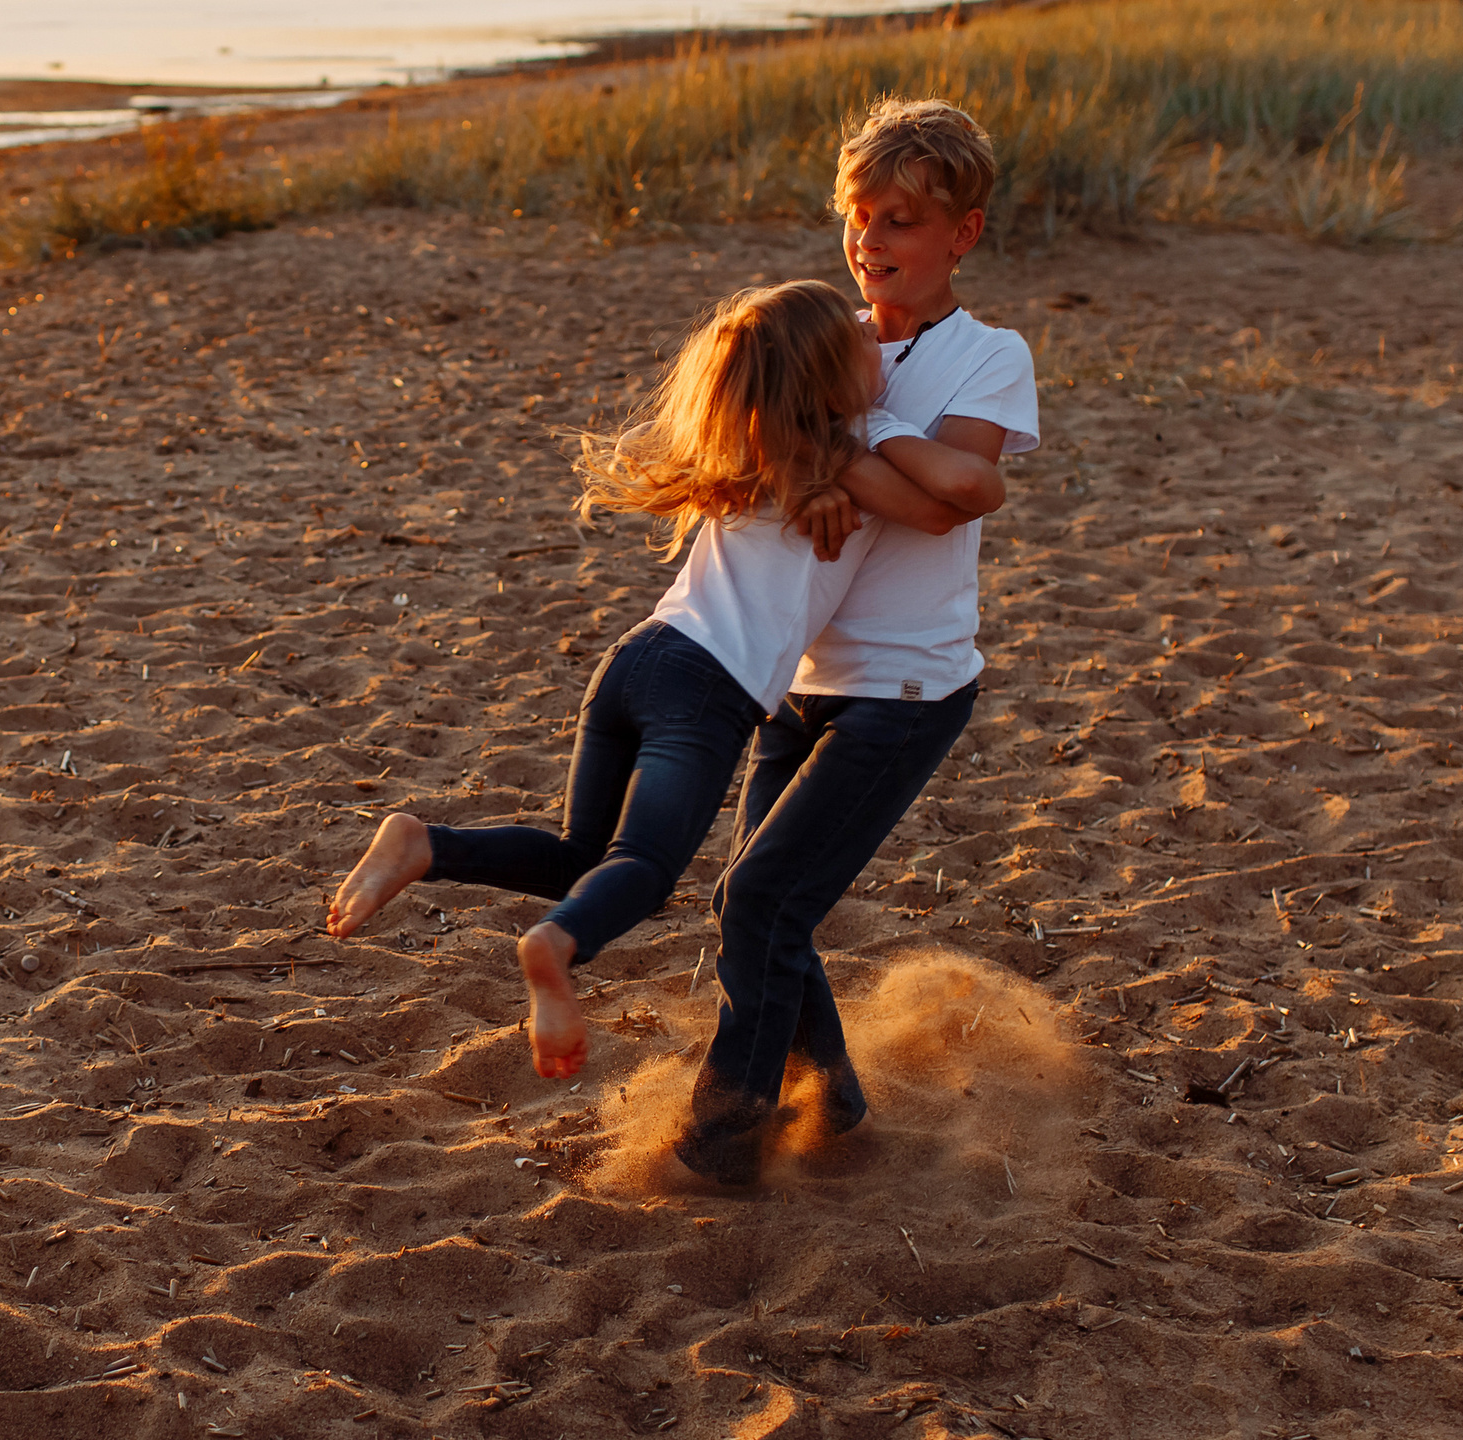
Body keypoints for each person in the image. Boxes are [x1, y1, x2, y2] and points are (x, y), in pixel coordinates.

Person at [327, 278, 984, 1078]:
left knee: (580, 855)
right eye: (860, 345)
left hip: (636, 659)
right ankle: (555, 945)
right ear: (827, 381)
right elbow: (939, 510)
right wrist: (876, 441)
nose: (875, 346)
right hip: (705, 691)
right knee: (643, 865)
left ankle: (425, 843)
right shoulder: (847, 448)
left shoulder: (755, 444)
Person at [673, 97, 1041, 1187]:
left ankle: (721, 1137)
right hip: (798, 670)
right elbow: (749, 445)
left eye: (900, 222)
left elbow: (939, 505)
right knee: (756, 899)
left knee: (761, 900)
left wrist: (840, 451)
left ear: (962, 233)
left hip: (907, 688)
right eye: (858, 216)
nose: (870, 241)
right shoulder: (822, 335)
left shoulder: (987, 356)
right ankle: (830, 1095)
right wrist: (810, 468)